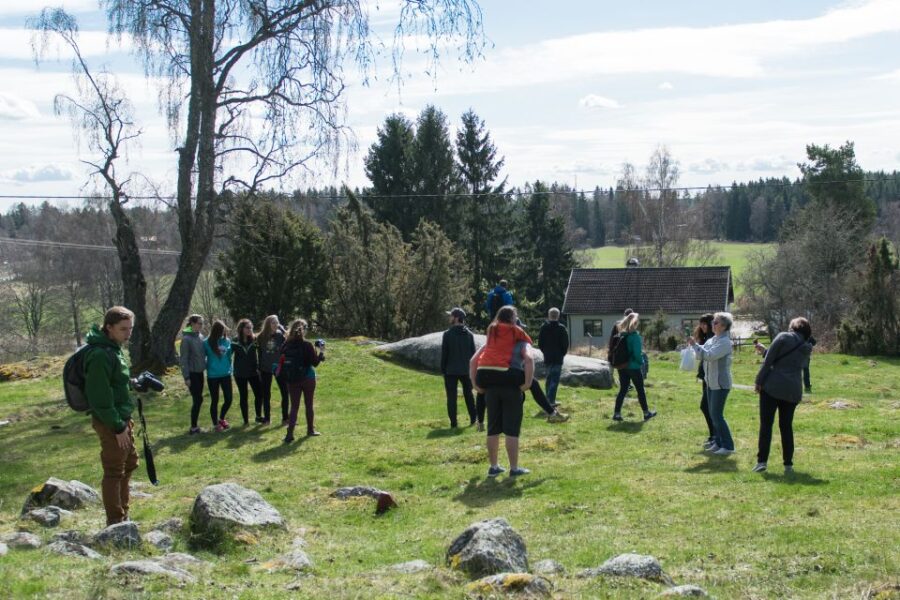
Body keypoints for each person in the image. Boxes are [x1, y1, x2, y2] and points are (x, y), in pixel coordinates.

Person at [84, 306, 138, 525]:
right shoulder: (100, 354)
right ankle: (115, 522)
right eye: (123, 329)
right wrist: (117, 426)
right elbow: (100, 397)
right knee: (114, 470)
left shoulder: (113, 348)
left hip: (122, 417)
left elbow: (115, 382)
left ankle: (123, 512)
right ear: (109, 327)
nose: (128, 333)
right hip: (111, 422)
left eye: (130, 328)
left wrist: (132, 383)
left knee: (130, 463)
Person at [470, 305, 534, 477]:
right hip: (509, 384)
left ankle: (493, 467)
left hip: (489, 384)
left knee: (493, 429)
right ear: (513, 319)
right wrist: (528, 383)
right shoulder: (518, 335)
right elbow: (529, 358)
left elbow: (473, 360)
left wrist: (475, 384)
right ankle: (514, 468)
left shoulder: (491, 335)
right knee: (511, 430)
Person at [752, 317, 814, 474]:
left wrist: (758, 381)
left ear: (793, 327)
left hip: (772, 387)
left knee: (766, 425)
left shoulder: (783, 337)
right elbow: (789, 361)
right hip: (793, 389)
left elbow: (768, 362)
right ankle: (788, 464)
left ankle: (762, 462)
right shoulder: (807, 347)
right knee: (786, 427)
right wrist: (765, 351)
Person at [689, 312, 734, 455]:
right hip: (710, 382)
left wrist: (695, 346)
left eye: (716, 322)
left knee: (717, 415)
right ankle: (718, 442)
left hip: (720, 384)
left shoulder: (725, 342)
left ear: (724, 326)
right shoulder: (712, 340)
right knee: (713, 415)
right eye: (713, 322)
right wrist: (695, 347)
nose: (712, 325)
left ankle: (728, 446)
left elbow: (709, 356)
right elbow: (700, 355)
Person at [278, 319, 325, 443]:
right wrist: (321, 352)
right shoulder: (307, 345)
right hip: (308, 378)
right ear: (304, 330)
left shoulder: (285, 344)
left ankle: (289, 434)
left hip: (292, 379)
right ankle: (310, 430)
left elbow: (281, 359)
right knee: (309, 404)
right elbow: (315, 363)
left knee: (294, 407)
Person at [611, 312, 657, 422]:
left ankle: (617, 414)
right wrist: (641, 362)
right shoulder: (635, 337)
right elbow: (637, 354)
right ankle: (646, 413)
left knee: (623, 389)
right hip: (633, 367)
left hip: (622, 366)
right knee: (640, 389)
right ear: (635, 323)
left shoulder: (621, 335)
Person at [441, 307, 477, 428]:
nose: (449, 318)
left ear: (456, 318)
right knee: (469, 395)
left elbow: (444, 354)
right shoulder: (470, 335)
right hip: (466, 371)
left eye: (451, 316)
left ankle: (454, 424)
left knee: (451, 397)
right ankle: (474, 419)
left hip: (450, 371)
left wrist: (443, 369)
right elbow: (473, 354)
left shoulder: (447, 334)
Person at [257, 315, 288, 425]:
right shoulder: (261, 337)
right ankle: (267, 419)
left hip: (279, 368)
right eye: (273, 323)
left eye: (277, 323)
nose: (275, 325)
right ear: (268, 324)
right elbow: (259, 353)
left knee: (285, 392)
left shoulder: (280, 335)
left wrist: (283, 330)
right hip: (265, 368)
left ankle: (285, 418)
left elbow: (289, 339)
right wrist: (259, 367)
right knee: (266, 394)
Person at [204, 320, 234, 432]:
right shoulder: (206, 342)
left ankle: (221, 418)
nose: (223, 333)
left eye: (224, 330)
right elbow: (202, 357)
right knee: (215, 400)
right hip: (213, 376)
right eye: (221, 331)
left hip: (226, 374)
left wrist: (230, 368)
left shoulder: (227, 341)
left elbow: (229, 356)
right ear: (216, 331)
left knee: (229, 399)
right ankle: (215, 424)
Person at [180, 314, 207, 434]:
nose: (201, 325)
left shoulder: (200, 336)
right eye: (199, 323)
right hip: (192, 374)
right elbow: (183, 359)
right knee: (198, 399)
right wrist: (186, 377)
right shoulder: (186, 339)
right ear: (192, 324)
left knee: (199, 399)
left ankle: (195, 426)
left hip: (200, 373)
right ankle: (193, 428)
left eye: (202, 323)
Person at [233, 319, 262, 425]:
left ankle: (258, 417)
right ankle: (245, 421)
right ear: (241, 328)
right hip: (240, 373)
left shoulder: (255, 340)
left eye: (251, 327)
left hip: (254, 372)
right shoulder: (234, 341)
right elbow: (226, 355)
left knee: (259, 395)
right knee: (243, 396)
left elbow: (261, 352)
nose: (250, 329)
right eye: (247, 327)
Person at [538, 307, 568, 408]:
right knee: (555, 379)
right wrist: (562, 353)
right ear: (558, 316)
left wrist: (545, 352)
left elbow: (540, 343)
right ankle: (551, 401)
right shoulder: (562, 328)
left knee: (549, 379)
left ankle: (548, 400)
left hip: (548, 356)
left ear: (549, 315)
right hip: (558, 357)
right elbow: (565, 344)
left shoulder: (544, 328)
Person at [693, 314, 716, 448]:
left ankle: (715, 435)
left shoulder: (712, 338)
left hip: (711, 377)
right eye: (700, 324)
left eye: (704, 323)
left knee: (707, 407)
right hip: (705, 376)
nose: (702, 326)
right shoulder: (705, 337)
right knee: (707, 407)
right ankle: (713, 435)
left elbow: (708, 356)